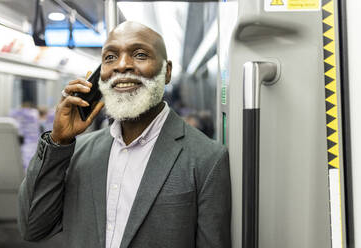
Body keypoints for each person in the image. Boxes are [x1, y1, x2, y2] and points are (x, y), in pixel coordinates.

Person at [18, 21, 231, 248]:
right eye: (110, 57)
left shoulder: (207, 159)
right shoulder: (76, 151)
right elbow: (33, 228)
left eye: (139, 55)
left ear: (166, 72)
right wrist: (58, 142)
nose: (122, 66)